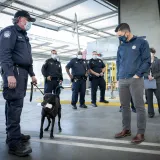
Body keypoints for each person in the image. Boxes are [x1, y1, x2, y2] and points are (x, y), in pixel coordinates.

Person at [0, 10, 37, 156]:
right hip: (14, 72)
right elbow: (4, 54)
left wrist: (32, 74)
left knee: (15, 106)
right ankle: (14, 144)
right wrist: (9, 74)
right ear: (20, 19)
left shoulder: (24, 36)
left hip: (22, 73)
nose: (29, 23)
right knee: (14, 106)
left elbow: (27, 59)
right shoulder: (9, 32)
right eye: (28, 20)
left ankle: (13, 135)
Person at [115, 23, 151, 144]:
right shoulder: (121, 47)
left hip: (135, 79)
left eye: (120, 35)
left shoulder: (141, 42)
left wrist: (138, 75)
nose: (119, 38)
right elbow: (118, 62)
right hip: (122, 80)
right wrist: (118, 78)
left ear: (127, 32)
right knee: (124, 106)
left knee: (139, 106)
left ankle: (141, 133)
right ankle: (126, 129)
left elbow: (147, 60)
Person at [146, 48, 160, 118]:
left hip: (157, 81)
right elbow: (143, 72)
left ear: (153, 53)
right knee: (149, 98)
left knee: (159, 97)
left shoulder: (158, 61)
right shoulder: (146, 62)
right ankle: (150, 112)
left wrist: (153, 77)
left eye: (150, 53)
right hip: (148, 82)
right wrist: (147, 76)